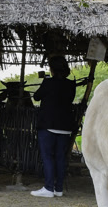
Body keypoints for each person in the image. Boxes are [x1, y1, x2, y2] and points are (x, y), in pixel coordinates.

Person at [30, 55, 77, 198]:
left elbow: (36, 97)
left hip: (48, 125)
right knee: (60, 157)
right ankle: (59, 189)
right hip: (65, 126)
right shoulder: (70, 84)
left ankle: (48, 188)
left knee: (48, 156)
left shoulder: (48, 82)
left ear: (52, 68)